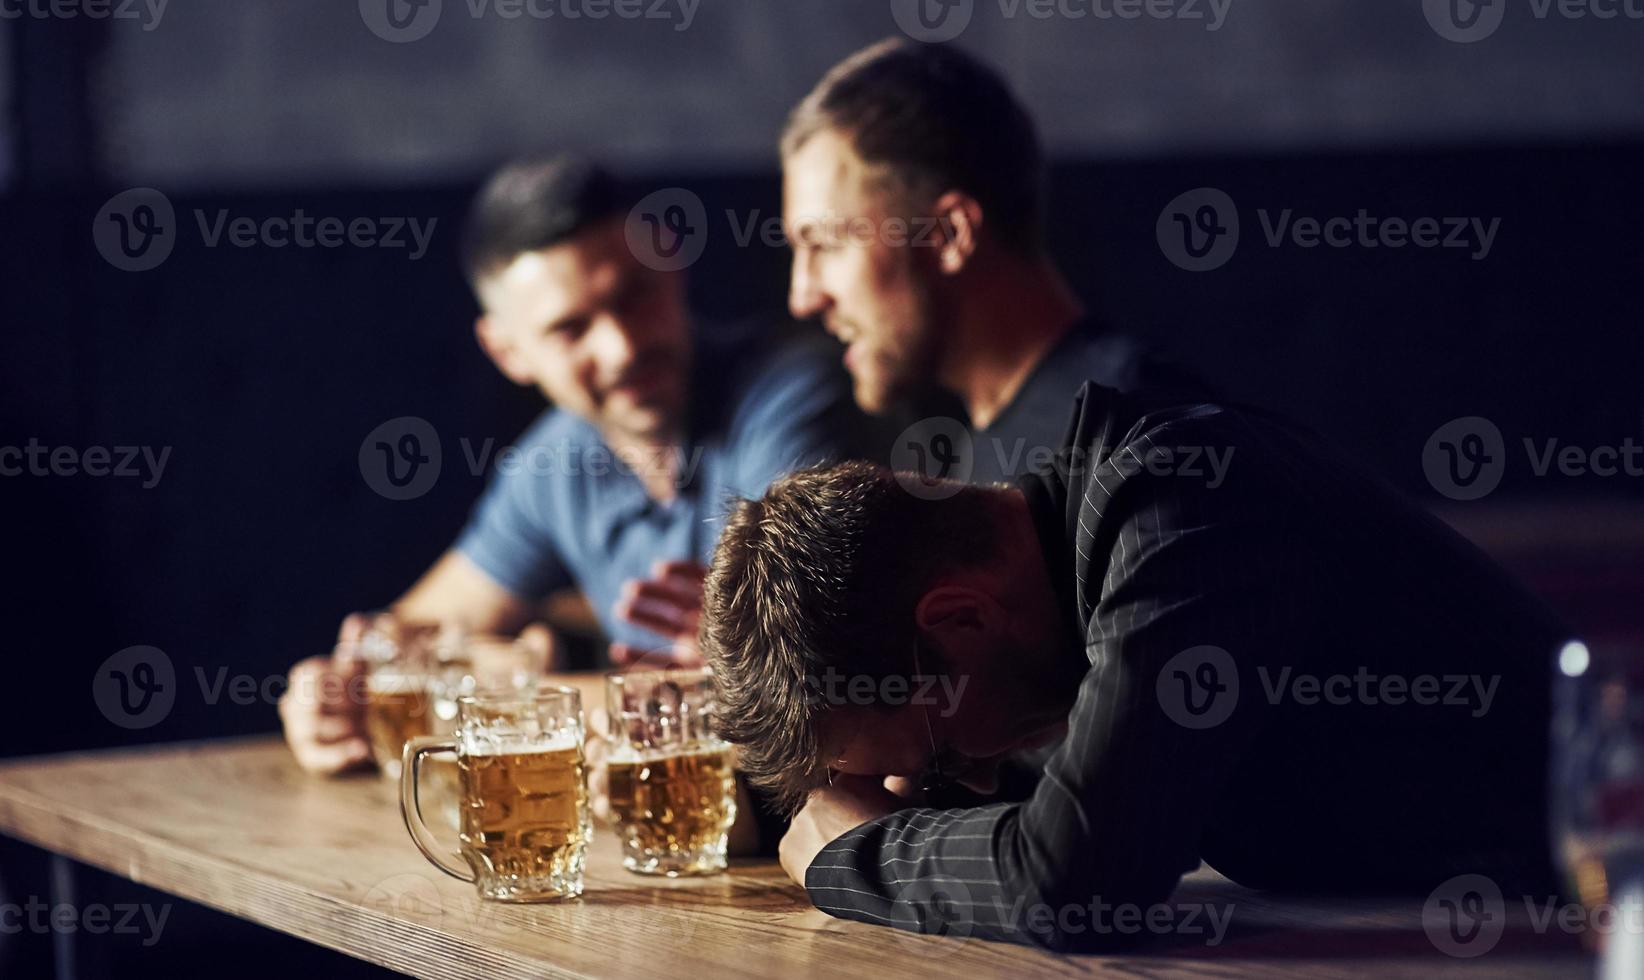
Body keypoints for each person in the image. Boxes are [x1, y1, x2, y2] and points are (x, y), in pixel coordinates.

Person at [699, 380, 1566, 951]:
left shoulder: (1178, 505)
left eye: (934, 756)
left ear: (960, 616)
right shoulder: (1048, 612)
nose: (956, 779)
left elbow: (1078, 873)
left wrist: (859, 855)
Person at [279, 156, 867, 775]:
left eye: (634, 296)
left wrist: (494, 680)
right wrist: (330, 699)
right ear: (508, 351)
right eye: (570, 328)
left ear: (671, 264)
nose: (621, 347)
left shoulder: (794, 390)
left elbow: (788, 687)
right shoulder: (552, 462)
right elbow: (403, 642)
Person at [781, 38, 1202, 484]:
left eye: (826, 244)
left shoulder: (1142, 442)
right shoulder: (988, 455)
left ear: (949, 236)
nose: (803, 297)